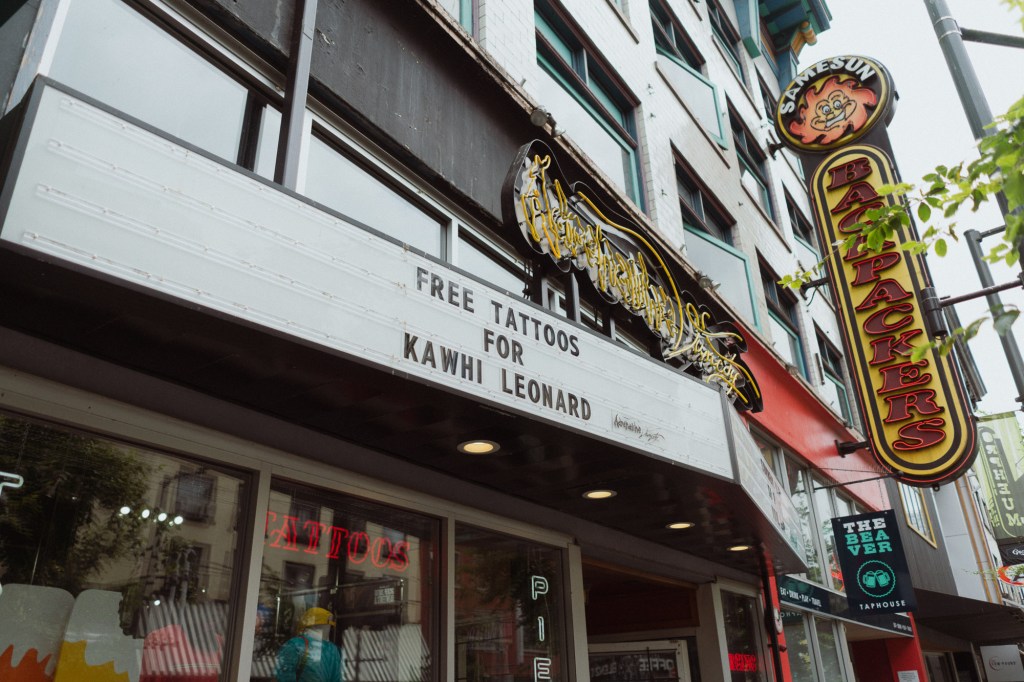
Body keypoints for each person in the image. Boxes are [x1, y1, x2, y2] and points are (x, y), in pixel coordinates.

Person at [275, 607, 343, 682]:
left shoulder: (294, 644)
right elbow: (337, 678)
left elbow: (284, 675)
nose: (328, 629)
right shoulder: (333, 650)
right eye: (327, 625)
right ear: (315, 626)